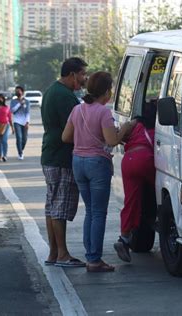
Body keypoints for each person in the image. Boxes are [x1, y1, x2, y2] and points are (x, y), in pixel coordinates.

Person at [62, 71, 134, 272]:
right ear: (106, 92)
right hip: (97, 164)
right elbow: (112, 140)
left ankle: (90, 256)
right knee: (99, 213)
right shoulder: (103, 112)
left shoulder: (77, 109)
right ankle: (94, 259)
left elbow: (66, 137)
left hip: (78, 162)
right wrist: (126, 128)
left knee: (90, 211)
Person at [41, 57, 88, 268]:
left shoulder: (52, 91)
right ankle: (62, 253)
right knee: (60, 206)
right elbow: (73, 130)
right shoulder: (65, 97)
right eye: (82, 75)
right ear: (72, 75)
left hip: (50, 154)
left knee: (51, 206)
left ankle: (53, 253)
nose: (84, 79)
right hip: (62, 157)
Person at [113, 103, 157, 263]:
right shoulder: (159, 129)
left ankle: (124, 239)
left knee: (130, 202)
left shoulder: (136, 124)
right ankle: (158, 218)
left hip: (129, 160)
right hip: (145, 159)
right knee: (161, 194)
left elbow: (121, 134)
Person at [11, 86, 30, 160]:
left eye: (19, 91)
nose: (17, 92)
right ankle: (20, 153)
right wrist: (19, 104)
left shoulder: (27, 101)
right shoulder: (13, 101)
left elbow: (28, 113)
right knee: (19, 137)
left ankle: (21, 149)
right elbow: (12, 111)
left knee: (24, 139)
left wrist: (27, 122)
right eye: (16, 91)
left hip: (24, 122)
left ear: (22, 92)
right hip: (17, 121)